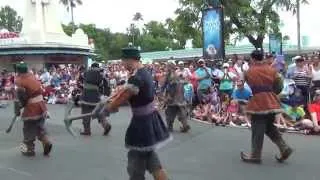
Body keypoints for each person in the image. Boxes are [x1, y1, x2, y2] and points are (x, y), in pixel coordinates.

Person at [97, 46, 171, 180]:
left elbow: (125, 96)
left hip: (142, 124)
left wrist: (108, 109)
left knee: (135, 167)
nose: (122, 64)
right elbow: (126, 94)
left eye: (123, 61)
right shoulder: (144, 73)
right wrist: (111, 102)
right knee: (153, 163)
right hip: (148, 120)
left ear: (130, 59)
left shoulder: (137, 77)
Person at [241, 50, 293, 164]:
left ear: (253, 59)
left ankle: (255, 155)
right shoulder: (272, 70)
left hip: (259, 103)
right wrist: (270, 92)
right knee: (269, 127)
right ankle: (284, 148)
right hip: (272, 101)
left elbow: (245, 83)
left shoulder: (249, 71)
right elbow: (279, 85)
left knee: (257, 129)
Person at [14, 62, 52, 157]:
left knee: (28, 129)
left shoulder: (20, 80)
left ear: (18, 71)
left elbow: (22, 97)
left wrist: (18, 108)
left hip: (32, 108)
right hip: (41, 105)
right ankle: (46, 141)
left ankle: (29, 150)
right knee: (39, 127)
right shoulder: (32, 76)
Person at [79, 63, 111, 136]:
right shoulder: (102, 74)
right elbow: (106, 86)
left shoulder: (86, 72)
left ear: (92, 67)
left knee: (85, 112)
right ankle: (106, 125)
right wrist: (106, 95)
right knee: (98, 112)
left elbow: (81, 80)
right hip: (96, 95)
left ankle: (87, 130)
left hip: (86, 95)